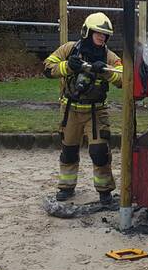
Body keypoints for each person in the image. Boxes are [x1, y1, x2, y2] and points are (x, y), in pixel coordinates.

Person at [43, 12, 123, 204]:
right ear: (87, 31)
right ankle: (66, 187)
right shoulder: (69, 49)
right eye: (98, 33)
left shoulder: (109, 57)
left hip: (96, 112)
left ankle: (105, 192)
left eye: (105, 35)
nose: (102, 37)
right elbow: (47, 67)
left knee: (99, 152)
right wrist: (68, 67)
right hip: (70, 110)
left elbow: (124, 79)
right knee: (68, 150)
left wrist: (104, 72)